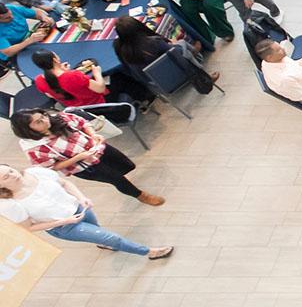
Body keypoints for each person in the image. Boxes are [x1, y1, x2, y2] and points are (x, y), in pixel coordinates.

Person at [0, 164, 173, 259]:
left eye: (11, 171)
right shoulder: (10, 203)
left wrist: (81, 197)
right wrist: (63, 222)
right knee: (110, 237)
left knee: (98, 230)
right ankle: (149, 252)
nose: (13, 175)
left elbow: (65, 183)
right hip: (64, 226)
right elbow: (28, 227)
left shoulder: (35, 173)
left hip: (79, 208)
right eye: (6, 177)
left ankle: (104, 243)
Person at [10, 109, 164, 205]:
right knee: (117, 179)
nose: (45, 120)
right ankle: (140, 195)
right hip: (85, 167)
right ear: (28, 129)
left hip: (99, 148)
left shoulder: (59, 118)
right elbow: (52, 167)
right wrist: (78, 157)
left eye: (42, 116)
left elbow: (83, 122)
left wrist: (93, 134)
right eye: (38, 122)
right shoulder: (35, 148)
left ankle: (123, 181)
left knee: (128, 165)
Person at [30, 50, 153, 117]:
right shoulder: (73, 76)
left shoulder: (39, 81)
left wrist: (63, 71)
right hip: (100, 102)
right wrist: (97, 72)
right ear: (55, 59)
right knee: (118, 76)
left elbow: (53, 95)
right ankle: (146, 98)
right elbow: (100, 88)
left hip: (81, 109)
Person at [112, 15, 218, 84]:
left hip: (157, 81)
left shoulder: (120, 48)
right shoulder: (153, 42)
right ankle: (204, 76)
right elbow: (177, 55)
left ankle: (194, 52)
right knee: (181, 44)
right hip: (178, 71)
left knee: (179, 48)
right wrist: (174, 44)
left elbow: (132, 72)